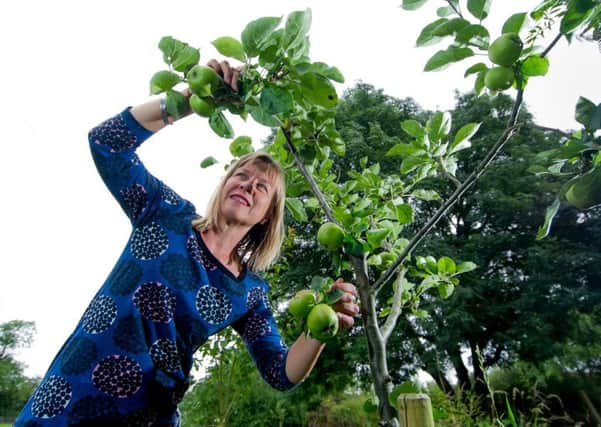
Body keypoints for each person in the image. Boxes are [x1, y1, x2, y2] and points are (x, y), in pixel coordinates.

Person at [14, 60, 359, 427]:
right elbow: (107, 143)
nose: (248, 186)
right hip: (71, 397)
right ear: (224, 185)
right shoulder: (167, 215)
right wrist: (188, 100)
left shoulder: (249, 292)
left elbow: (280, 371)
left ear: (266, 217)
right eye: (241, 176)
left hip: (149, 414)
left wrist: (321, 327)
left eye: (262, 188)